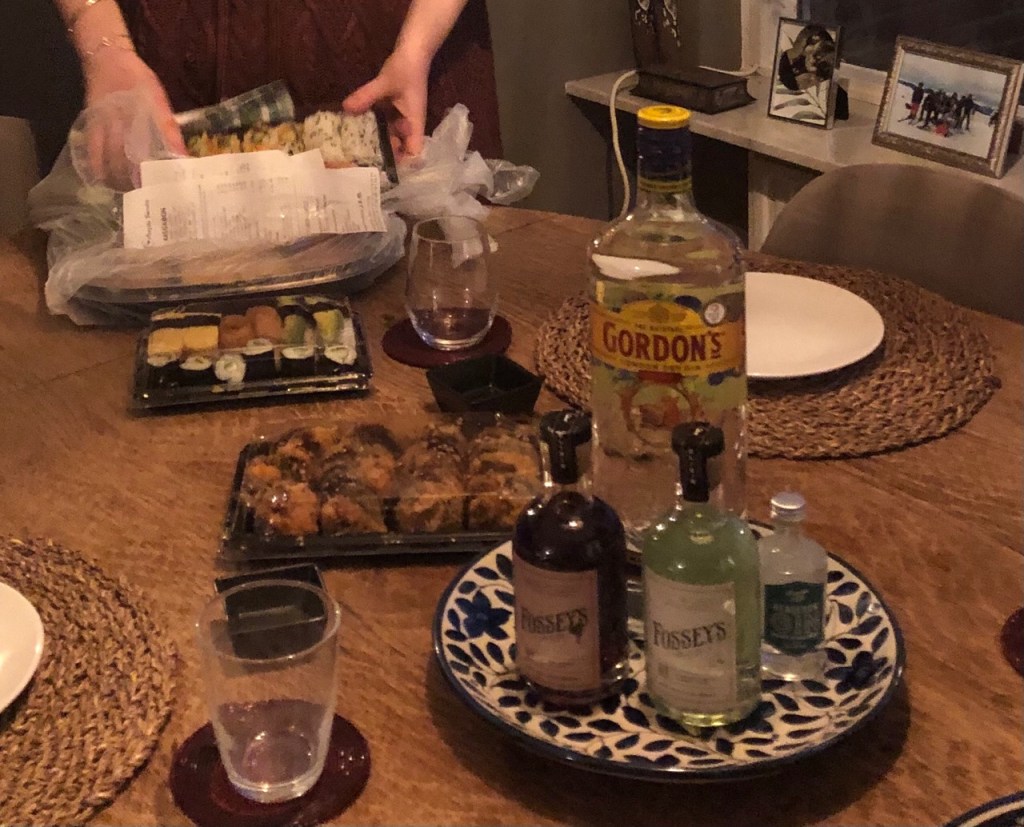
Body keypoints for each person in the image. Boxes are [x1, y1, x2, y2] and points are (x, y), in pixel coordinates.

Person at [52, 0, 501, 185]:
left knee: (424, 311)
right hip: (173, 60)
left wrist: (416, 48)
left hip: (398, 51)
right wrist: (104, 45)